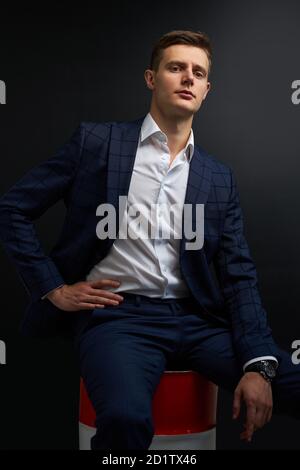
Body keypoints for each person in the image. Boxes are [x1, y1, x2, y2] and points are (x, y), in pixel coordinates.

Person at [0, 30, 299, 450]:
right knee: (125, 419)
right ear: (151, 78)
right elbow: (13, 208)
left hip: (196, 321)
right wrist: (52, 288)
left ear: (207, 89)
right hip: (118, 318)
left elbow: (239, 276)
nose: (187, 78)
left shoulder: (217, 178)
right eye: (176, 67)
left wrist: (259, 366)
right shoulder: (98, 143)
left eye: (198, 72)